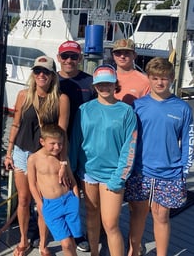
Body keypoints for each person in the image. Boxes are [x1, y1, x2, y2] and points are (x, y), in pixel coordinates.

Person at [125, 57, 194, 256]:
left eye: (164, 78)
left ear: (171, 78)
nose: (159, 82)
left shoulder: (182, 108)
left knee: (161, 216)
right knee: (137, 214)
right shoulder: (138, 106)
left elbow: (188, 141)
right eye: (155, 78)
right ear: (149, 79)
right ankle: (133, 250)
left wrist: (183, 170)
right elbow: (130, 140)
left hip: (170, 173)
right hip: (140, 170)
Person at [4, 55, 70, 256]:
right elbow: (15, 125)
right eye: (37, 71)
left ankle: (42, 243)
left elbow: (61, 134)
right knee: (23, 200)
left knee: (43, 202)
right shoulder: (23, 95)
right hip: (22, 153)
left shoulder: (61, 99)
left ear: (52, 75)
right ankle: (23, 240)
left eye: (46, 72)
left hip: (45, 157)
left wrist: (63, 162)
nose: (41, 75)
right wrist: (8, 152)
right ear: (33, 74)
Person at [69, 64, 137, 256]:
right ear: (94, 86)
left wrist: (119, 177)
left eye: (108, 83)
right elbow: (75, 143)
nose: (104, 87)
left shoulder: (126, 111)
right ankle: (94, 254)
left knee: (110, 223)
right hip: (87, 173)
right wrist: (72, 172)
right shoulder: (84, 110)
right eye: (100, 84)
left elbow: (129, 148)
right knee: (91, 216)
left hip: (113, 176)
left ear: (115, 84)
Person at [57, 40, 95, 252]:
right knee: (58, 190)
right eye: (65, 56)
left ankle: (84, 233)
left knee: (83, 192)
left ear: (80, 58)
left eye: (74, 56)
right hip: (58, 143)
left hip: (85, 145)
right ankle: (53, 229)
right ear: (58, 58)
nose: (69, 60)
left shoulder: (90, 81)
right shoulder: (50, 79)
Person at [27, 123, 83, 256]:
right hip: (51, 206)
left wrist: (76, 197)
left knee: (72, 242)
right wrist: (40, 204)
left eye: (60, 144)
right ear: (42, 141)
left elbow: (72, 179)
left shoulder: (62, 159)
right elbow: (32, 184)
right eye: (52, 143)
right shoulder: (33, 159)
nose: (57, 147)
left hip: (69, 200)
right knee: (65, 242)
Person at [112, 38, 150, 105]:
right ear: (113, 56)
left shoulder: (145, 81)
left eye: (127, 53)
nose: (122, 56)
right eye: (118, 53)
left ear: (134, 55)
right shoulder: (107, 78)